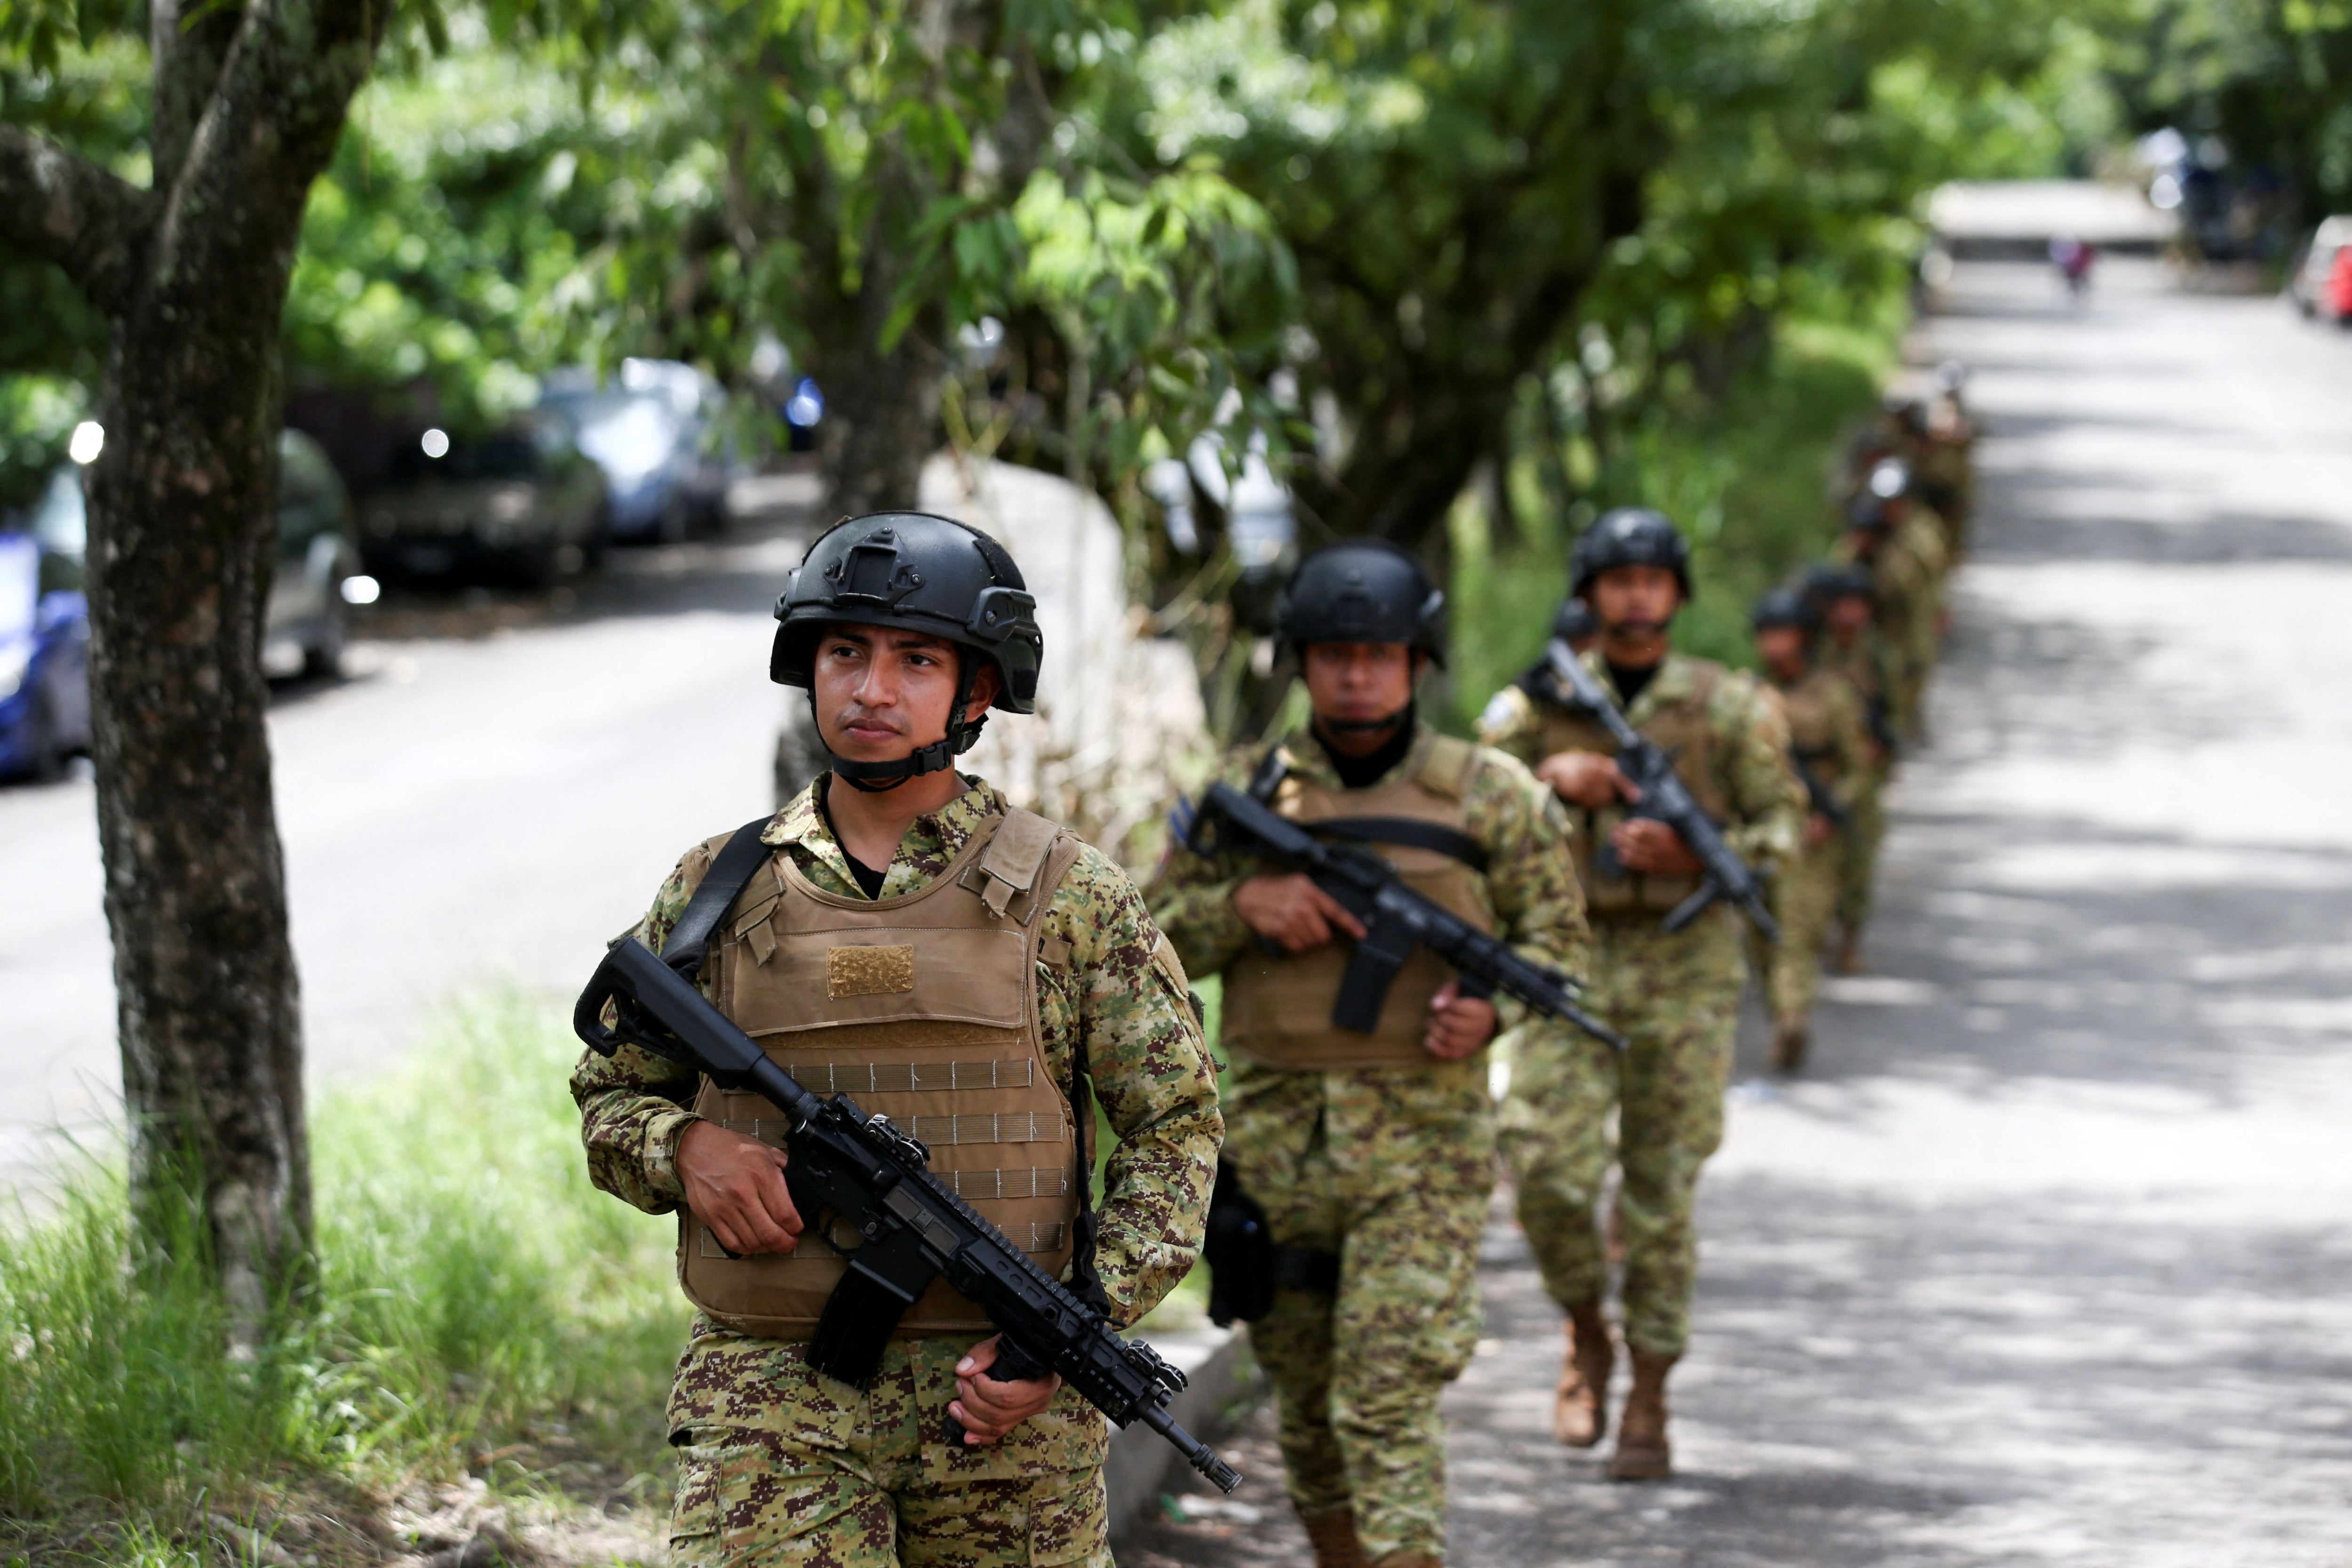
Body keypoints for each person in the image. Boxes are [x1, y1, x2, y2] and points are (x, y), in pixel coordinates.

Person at [572, 511, 1222, 1568]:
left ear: (976, 692)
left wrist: (1081, 1319)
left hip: (1002, 1407)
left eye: (914, 660)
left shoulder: (1070, 896)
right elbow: (612, 1094)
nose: (871, 689)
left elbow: (1177, 1126)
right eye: (845, 652)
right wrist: (684, 1149)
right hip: (770, 1404)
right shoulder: (714, 891)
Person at [1151, 541, 1588, 1568]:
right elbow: (1138, 937)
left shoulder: (1493, 796)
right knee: (1303, 1406)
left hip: (1424, 1151)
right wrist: (1243, 904)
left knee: (1385, 1392)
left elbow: (1559, 948)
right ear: (1299, 662)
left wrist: (1489, 1009)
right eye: (1335, 652)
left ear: (1418, 662)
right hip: (1272, 1143)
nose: (1356, 673)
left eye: (1380, 653)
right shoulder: (1240, 791)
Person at [1478, 508, 1802, 1480]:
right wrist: (1551, 778)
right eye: (1615, 578)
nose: (1633, 594)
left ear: (1676, 593)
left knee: (1661, 1196)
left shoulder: (1728, 706)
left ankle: (1650, 1396)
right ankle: (1586, 1326)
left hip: (1685, 969)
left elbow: (1783, 826)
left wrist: (1700, 852)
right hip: (1565, 956)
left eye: (1651, 578)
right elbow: (1465, 805)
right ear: (1589, 591)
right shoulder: (1531, 707)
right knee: (1545, 1169)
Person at [1748, 587, 1871, 1071]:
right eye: (1768, 635)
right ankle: (1781, 1010)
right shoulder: (1747, 696)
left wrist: (1830, 813)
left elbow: (1857, 767)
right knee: (1761, 933)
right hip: (1760, 832)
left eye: (1786, 634)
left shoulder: (1832, 694)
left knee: (1798, 933)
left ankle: (1792, 1020)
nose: (1775, 646)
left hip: (1811, 836)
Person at [1805, 564, 1899, 976]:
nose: (1850, 614)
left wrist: (1883, 747)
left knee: (1859, 857)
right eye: (1843, 605)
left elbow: (1895, 706)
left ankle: (1850, 940)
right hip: (1822, 766)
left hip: (1863, 769)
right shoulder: (1815, 649)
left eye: (1858, 605)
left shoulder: (1877, 654)